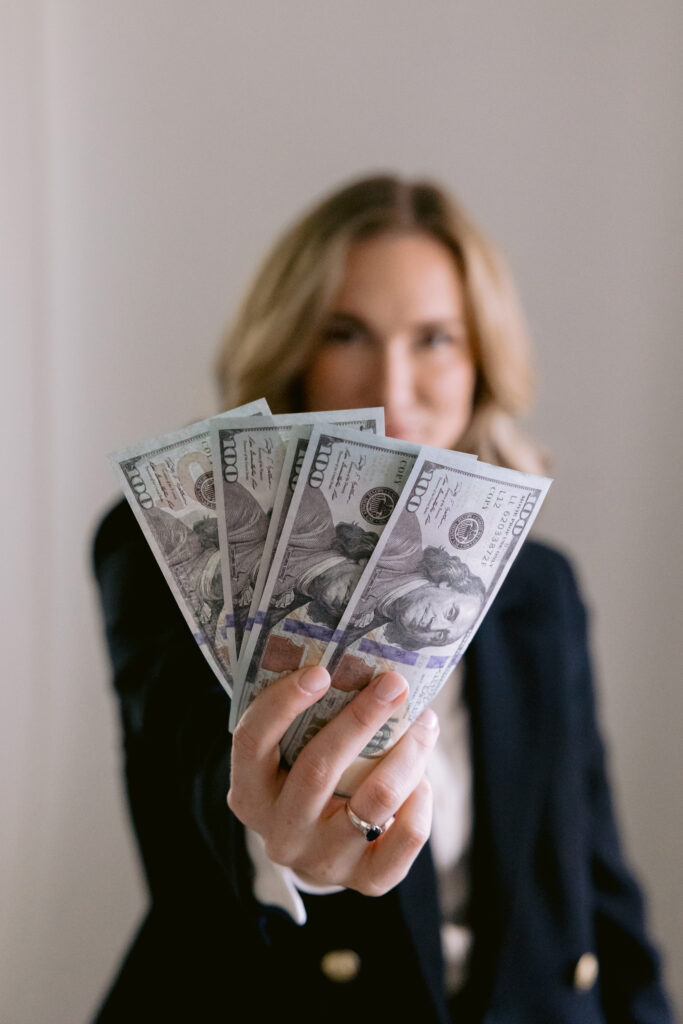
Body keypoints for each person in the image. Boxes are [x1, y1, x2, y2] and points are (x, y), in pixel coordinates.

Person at [93, 175, 673, 1022]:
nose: (392, 383)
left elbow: (594, 880)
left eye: (434, 338)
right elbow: (188, 778)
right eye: (346, 332)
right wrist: (283, 850)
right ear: (294, 347)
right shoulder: (175, 539)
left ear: (481, 361)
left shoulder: (541, 587)